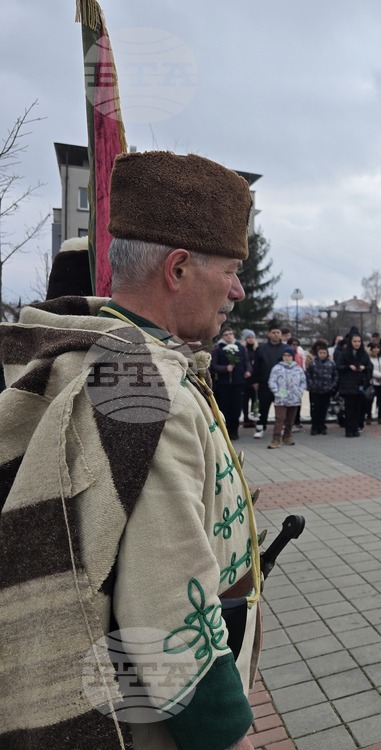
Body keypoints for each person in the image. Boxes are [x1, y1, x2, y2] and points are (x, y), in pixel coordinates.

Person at [0, 151, 263, 748]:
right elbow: (166, 597)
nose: (240, 290)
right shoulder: (147, 389)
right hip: (155, 706)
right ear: (178, 269)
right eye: (231, 270)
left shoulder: (106, 353)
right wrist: (225, 733)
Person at [211, 326, 252, 441]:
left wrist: (248, 371)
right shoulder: (218, 348)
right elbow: (213, 366)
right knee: (224, 408)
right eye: (226, 334)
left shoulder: (240, 347)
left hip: (238, 382)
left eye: (231, 334)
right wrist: (225, 368)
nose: (229, 336)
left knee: (236, 408)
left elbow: (247, 362)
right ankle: (225, 431)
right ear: (222, 336)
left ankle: (234, 430)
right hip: (224, 384)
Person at [268, 346, 307, 448]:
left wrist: (299, 392)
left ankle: (287, 436)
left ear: (293, 357)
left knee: (290, 419)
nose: (287, 357)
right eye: (285, 355)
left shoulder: (298, 369)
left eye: (289, 355)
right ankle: (276, 438)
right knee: (280, 418)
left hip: (294, 398)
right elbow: (272, 381)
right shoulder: (277, 368)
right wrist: (277, 392)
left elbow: (303, 382)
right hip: (281, 398)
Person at [336, 332, 373, 438]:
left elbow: (370, 366)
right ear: (350, 342)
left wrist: (364, 368)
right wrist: (348, 367)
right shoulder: (345, 353)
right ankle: (349, 430)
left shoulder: (363, 354)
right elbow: (338, 366)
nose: (357, 344)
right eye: (355, 341)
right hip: (348, 385)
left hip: (360, 384)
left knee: (358, 408)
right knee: (349, 408)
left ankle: (355, 428)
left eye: (359, 341)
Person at [253, 324, 286, 438]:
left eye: (278, 332)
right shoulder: (261, 348)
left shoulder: (286, 349)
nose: (276, 334)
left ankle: (280, 428)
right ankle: (260, 427)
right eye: (273, 332)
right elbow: (256, 366)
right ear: (269, 334)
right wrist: (255, 381)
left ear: (281, 334)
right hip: (264, 383)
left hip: (282, 385)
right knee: (264, 406)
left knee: (281, 406)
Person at [306, 343, 337, 434]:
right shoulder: (313, 363)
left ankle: (322, 425)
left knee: (324, 409)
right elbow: (308, 375)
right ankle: (314, 426)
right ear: (317, 353)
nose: (322, 354)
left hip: (327, 390)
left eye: (324, 353)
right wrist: (311, 385)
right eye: (320, 353)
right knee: (315, 408)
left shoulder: (331, 364)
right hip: (315, 390)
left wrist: (332, 385)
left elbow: (335, 375)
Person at [241, 328, 258, 427]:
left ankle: (252, 419)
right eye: (248, 337)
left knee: (254, 400)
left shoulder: (257, 350)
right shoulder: (243, 350)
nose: (251, 339)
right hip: (245, 379)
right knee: (245, 401)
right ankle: (246, 419)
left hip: (254, 379)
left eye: (252, 337)